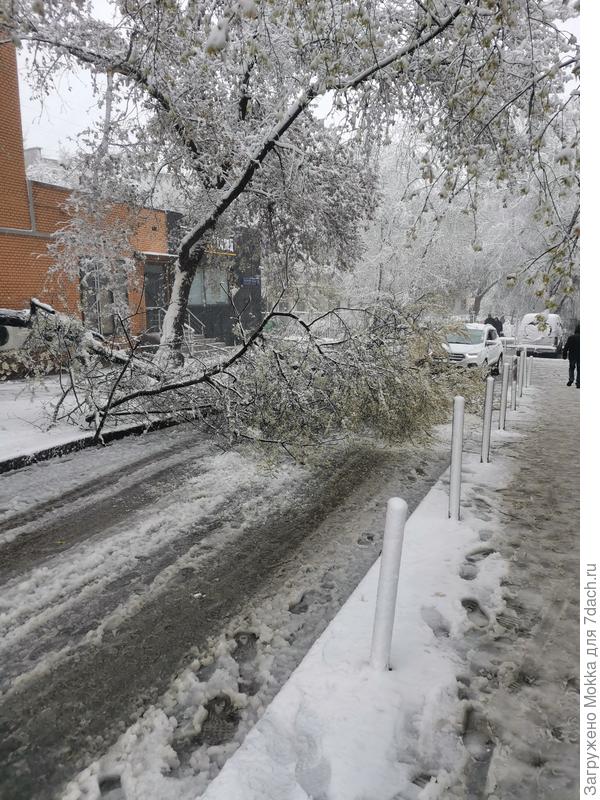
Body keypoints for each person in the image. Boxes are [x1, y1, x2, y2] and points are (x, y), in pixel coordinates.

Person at [562, 324, 580, 388]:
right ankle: (578, 382)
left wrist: (564, 354)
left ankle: (571, 379)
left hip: (572, 355)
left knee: (571, 368)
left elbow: (566, 347)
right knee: (579, 369)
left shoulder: (571, 337)